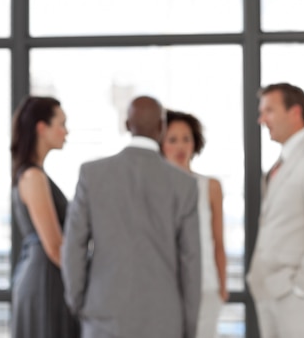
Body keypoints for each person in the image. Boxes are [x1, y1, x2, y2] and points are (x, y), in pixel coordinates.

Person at [61, 95, 201, 338]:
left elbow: (74, 245)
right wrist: (187, 325)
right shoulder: (184, 185)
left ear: (127, 125)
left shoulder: (92, 175)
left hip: (103, 315)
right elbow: (191, 262)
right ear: (162, 127)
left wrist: (79, 301)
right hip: (165, 320)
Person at [246, 82, 304, 337]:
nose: (261, 119)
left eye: (269, 110)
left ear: (295, 112)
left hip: (298, 299)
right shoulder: (281, 164)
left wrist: (302, 288)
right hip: (271, 293)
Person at [10, 96, 80, 338]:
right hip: (44, 280)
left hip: (46, 277)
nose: (66, 131)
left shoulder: (33, 174)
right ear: (42, 128)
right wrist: (88, 279)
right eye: (61, 123)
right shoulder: (33, 177)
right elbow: (55, 247)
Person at [161, 110, 228, 338]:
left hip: (206, 288)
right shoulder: (153, 188)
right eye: (172, 139)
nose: (180, 146)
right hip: (164, 289)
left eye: (186, 139)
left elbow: (218, 241)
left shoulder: (210, 186)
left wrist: (222, 287)